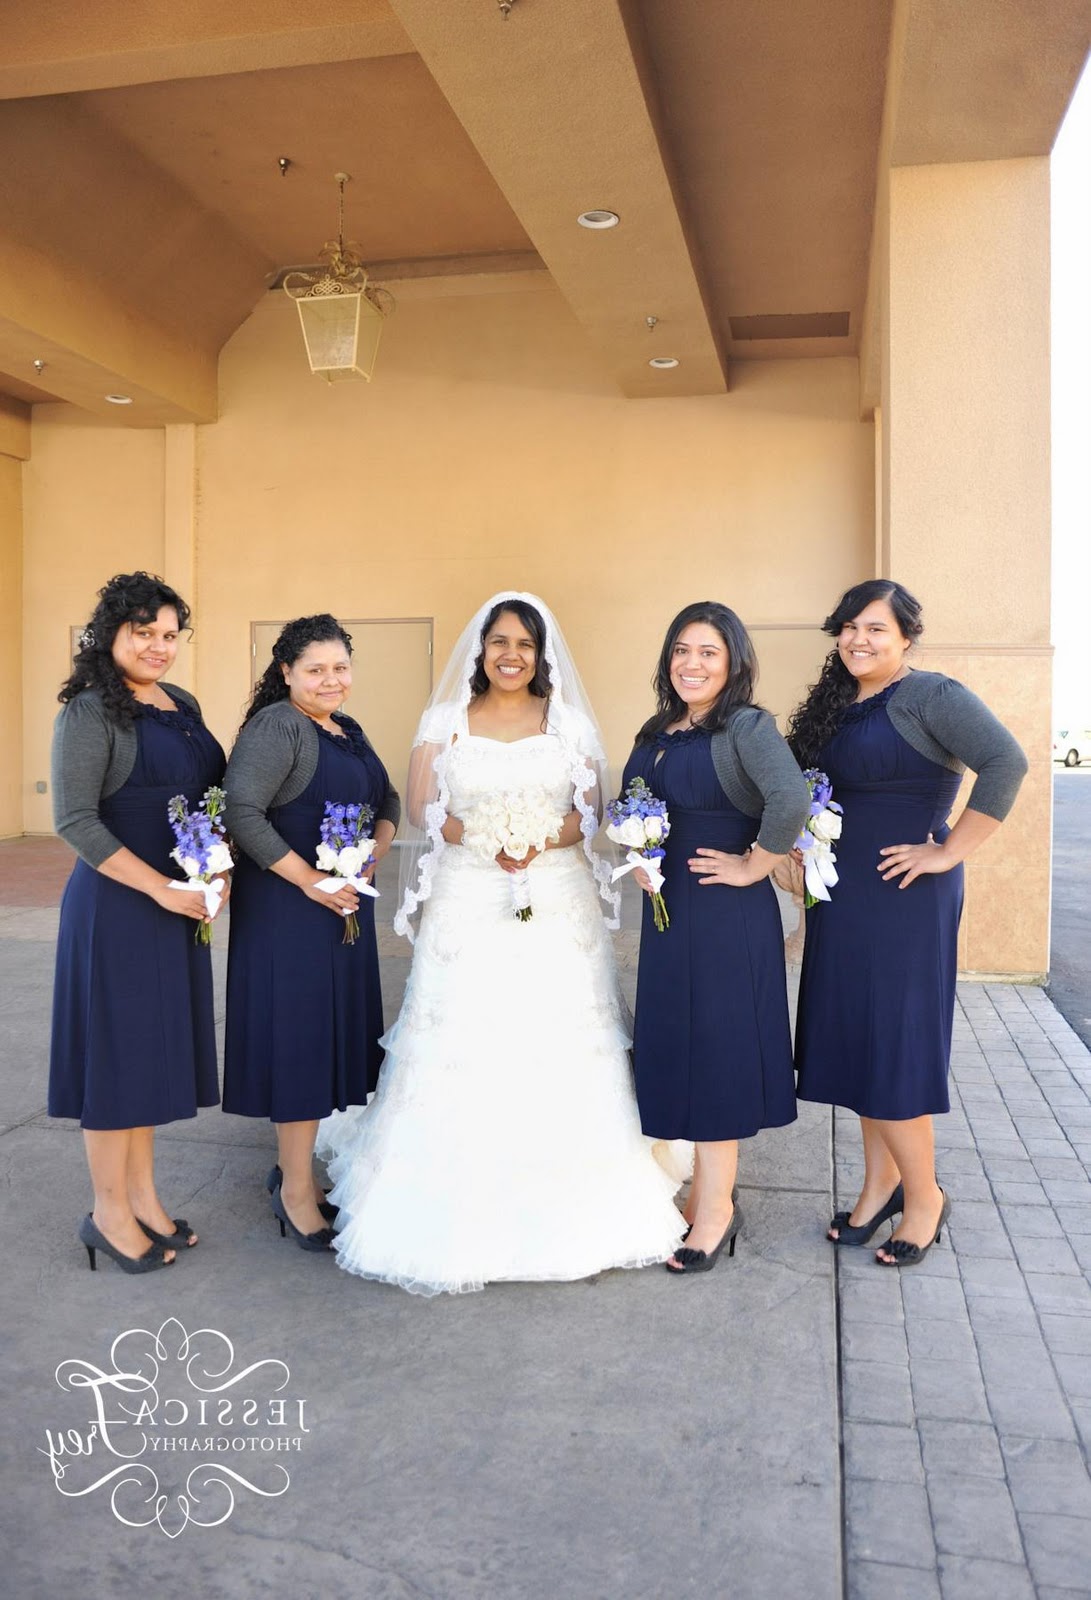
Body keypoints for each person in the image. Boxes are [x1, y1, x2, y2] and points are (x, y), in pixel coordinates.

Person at [316, 592, 684, 1294]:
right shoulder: (445, 720)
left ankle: (576, 1188)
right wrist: (482, 837)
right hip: (468, 892)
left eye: (525, 644)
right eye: (499, 643)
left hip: (553, 894)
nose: (511, 655)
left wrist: (537, 839)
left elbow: (592, 816)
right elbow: (424, 806)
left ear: (542, 655)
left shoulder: (568, 723)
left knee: (557, 1032)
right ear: (480, 651)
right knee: (466, 1031)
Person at [788, 579, 1027, 1266]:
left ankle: (924, 1198)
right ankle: (879, 1187)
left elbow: (1005, 761)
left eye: (875, 629)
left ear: (905, 639)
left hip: (903, 894)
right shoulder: (837, 702)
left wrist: (949, 848)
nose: (858, 640)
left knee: (890, 1043)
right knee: (860, 1041)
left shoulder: (930, 696)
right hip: (842, 894)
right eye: (849, 628)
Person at [621, 602, 809, 1274]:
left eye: (706, 652)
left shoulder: (746, 726)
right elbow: (637, 808)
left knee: (718, 1051)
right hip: (668, 913)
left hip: (726, 912)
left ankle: (717, 1208)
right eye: (680, 650)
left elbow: (788, 797)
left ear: (731, 662)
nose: (690, 663)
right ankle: (701, 1193)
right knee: (678, 1044)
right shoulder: (657, 729)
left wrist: (754, 864)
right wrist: (640, 859)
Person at [50, 572, 227, 1274]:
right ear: (112, 634)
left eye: (168, 634)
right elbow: (74, 820)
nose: (159, 646)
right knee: (116, 1062)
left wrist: (215, 869)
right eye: (143, 632)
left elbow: (208, 796)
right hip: (120, 904)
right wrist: (160, 888)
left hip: (179, 899)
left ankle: (146, 1198)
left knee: (150, 1057)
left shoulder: (180, 703)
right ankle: (107, 1212)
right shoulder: (89, 711)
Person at [222, 615, 399, 1251]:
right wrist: (310, 881)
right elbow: (242, 812)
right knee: (298, 1045)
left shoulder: (347, 731)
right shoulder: (279, 727)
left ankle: (298, 1174)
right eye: (316, 669)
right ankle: (295, 1192)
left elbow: (390, 802)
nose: (331, 679)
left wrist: (372, 854)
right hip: (290, 912)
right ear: (286, 673)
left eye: (340, 667)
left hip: (343, 905)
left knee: (327, 1042)